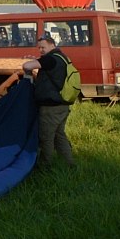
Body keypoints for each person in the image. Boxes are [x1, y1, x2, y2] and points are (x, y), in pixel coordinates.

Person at [22, 34, 76, 168]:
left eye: (43, 47)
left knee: (46, 137)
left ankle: (45, 166)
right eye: (39, 48)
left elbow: (27, 65)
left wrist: (33, 62)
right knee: (59, 135)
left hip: (51, 107)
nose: (40, 50)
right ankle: (69, 164)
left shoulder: (50, 59)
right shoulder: (62, 57)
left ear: (52, 45)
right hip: (62, 104)